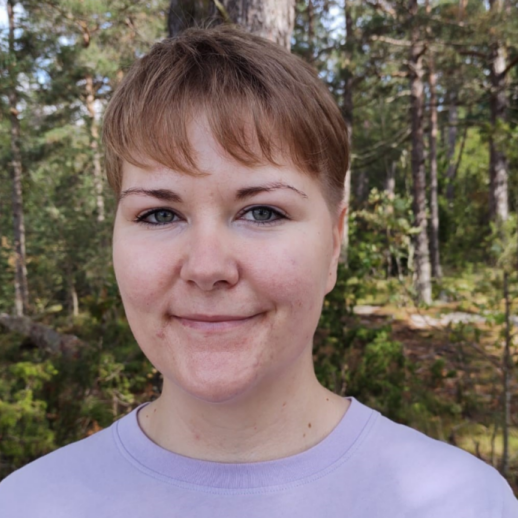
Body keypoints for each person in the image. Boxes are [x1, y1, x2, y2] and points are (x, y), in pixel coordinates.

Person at [0, 25, 516, 518]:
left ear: (335, 242)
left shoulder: (462, 504)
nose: (207, 267)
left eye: (263, 212)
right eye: (159, 214)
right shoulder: (26, 505)